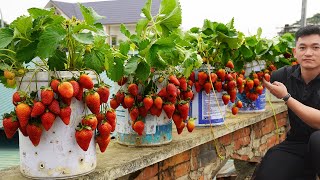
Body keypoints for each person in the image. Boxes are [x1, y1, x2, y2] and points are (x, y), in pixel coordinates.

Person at [253, 25, 320, 180]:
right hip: (297, 144)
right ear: (295, 52)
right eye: (302, 47)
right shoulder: (285, 75)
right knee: (269, 173)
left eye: (316, 47)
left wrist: (287, 98)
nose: (308, 53)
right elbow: (257, 78)